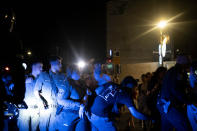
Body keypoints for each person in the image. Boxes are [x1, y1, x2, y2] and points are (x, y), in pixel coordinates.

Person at [157, 55, 192, 131]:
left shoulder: (172, 71)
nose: (188, 66)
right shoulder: (176, 72)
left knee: (166, 128)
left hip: (164, 105)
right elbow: (175, 89)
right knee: (184, 127)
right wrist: (187, 100)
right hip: (170, 106)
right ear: (184, 63)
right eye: (187, 64)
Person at [55, 65, 89, 131]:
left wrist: (83, 105)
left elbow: (86, 93)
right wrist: (79, 104)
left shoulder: (81, 82)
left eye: (79, 70)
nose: (80, 72)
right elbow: (60, 100)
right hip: (68, 115)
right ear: (71, 72)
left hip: (81, 114)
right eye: (77, 71)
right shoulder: (66, 83)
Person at [34, 56, 62, 131]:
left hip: (56, 108)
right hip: (46, 108)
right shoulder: (43, 75)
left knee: (53, 129)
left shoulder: (61, 77)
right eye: (59, 63)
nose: (61, 65)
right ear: (52, 64)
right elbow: (36, 90)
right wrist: (42, 101)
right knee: (43, 128)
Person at [17, 59, 43, 131]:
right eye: (40, 66)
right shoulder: (25, 77)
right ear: (33, 67)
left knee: (35, 129)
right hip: (25, 109)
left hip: (37, 109)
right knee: (23, 129)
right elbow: (13, 85)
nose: (42, 68)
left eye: (42, 67)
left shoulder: (42, 79)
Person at [187, 62, 197, 131]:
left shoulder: (192, 76)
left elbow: (193, 88)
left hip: (193, 102)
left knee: (194, 124)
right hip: (192, 102)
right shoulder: (192, 76)